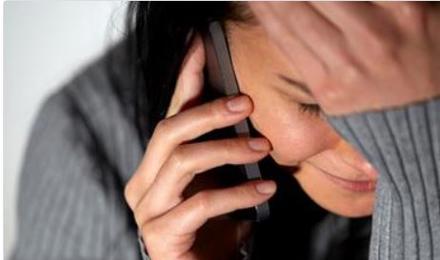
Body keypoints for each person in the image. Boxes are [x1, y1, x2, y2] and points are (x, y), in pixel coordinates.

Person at [11, 2, 438, 260]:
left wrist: (422, 186)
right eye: (316, 103)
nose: (370, 159)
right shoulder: (90, 142)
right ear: (212, 50)